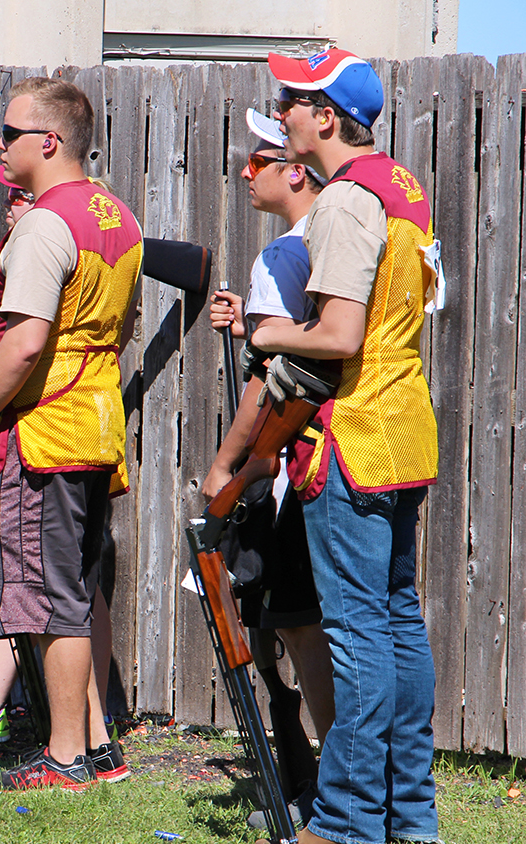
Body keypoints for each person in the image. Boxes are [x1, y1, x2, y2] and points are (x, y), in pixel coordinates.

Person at [250, 48, 442, 844]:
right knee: (398, 623)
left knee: (359, 632)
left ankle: (348, 822)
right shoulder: (402, 184)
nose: (282, 114)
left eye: (291, 101)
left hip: (354, 435)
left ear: (325, 117)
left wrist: (264, 329)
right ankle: (410, 822)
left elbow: (336, 333)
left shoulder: (343, 201)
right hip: (402, 426)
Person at [0, 77, 142, 792]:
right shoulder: (118, 216)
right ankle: (98, 749)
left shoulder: (43, 222)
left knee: (41, 596)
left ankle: (63, 761)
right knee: (75, 592)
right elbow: (105, 327)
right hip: (94, 424)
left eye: (9, 134)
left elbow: (27, 344)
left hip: (44, 432)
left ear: (48, 141)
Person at [202, 108, 335, 831]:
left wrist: (226, 470)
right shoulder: (325, 241)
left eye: (258, 160)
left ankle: (320, 789)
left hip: (285, 472)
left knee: (296, 627)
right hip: (323, 466)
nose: (246, 171)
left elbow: (271, 383)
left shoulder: (284, 253)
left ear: (294, 171)